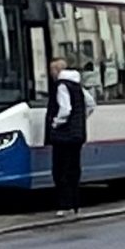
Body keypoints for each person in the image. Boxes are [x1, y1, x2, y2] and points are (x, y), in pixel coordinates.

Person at [45, 57, 88, 217]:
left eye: (52, 71)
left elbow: (65, 109)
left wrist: (56, 123)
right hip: (77, 135)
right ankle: (75, 204)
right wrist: (80, 120)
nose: (51, 74)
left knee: (60, 170)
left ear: (57, 71)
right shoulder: (77, 85)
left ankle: (65, 205)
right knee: (74, 170)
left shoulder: (62, 86)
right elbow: (90, 104)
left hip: (64, 136)